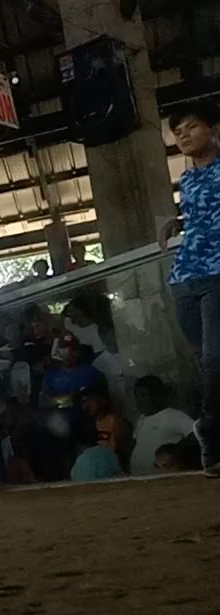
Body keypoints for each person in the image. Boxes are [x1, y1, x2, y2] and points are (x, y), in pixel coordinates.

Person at [162, 101, 220, 476]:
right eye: (177, 132)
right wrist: (176, 222)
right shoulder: (187, 180)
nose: (183, 135)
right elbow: (200, 216)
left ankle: (210, 435)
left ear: (213, 129)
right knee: (206, 363)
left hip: (217, 274)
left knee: (215, 361)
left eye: (191, 127)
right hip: (186, 277)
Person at [130, 376, 196, 476]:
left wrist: (176, 450)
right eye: (136, 396)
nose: (138, 400)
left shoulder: (175, 416)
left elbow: (198, 436)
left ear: (158, 396)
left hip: (161, 476)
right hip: (139, 476)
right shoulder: (141, 419)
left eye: (143, 395)